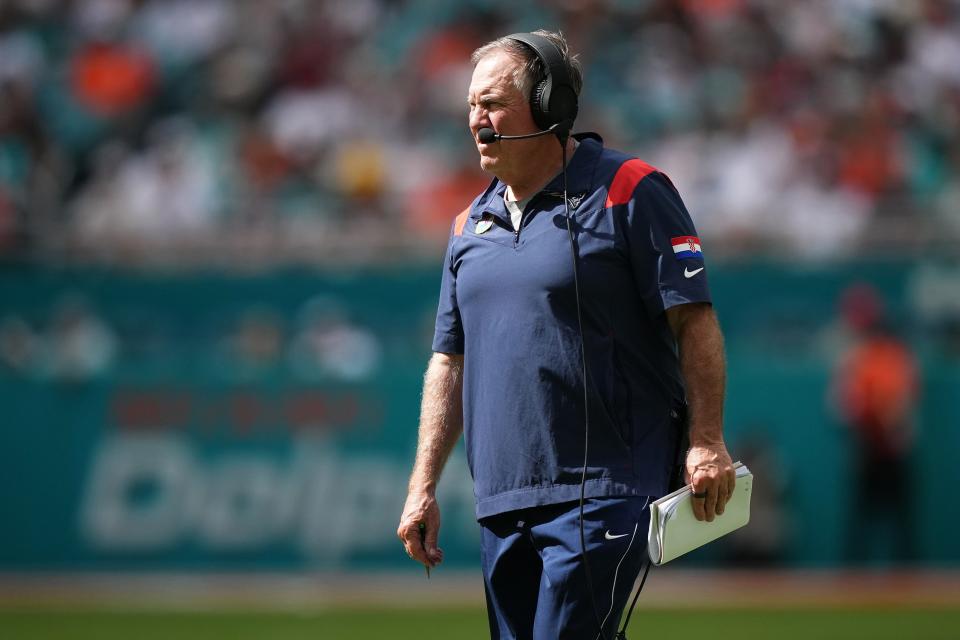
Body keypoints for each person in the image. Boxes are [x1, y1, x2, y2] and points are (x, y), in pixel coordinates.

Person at [397, 30, 735, 639]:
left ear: (549, 106)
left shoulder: (631, 189)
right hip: (502, 500)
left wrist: (706, 440)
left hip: (602, 489)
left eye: (493, 102)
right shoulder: (468, 224)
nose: (477, 118)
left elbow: (695, 321)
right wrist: (422, 488)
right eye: (472, 103)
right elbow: (448, 362)